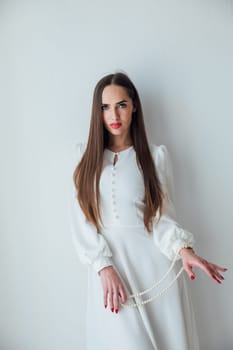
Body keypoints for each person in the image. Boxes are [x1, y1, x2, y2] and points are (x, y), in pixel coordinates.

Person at [69, 72, 227, 350]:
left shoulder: (155, 157)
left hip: (155, 273)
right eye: (105, 107)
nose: (114, 114)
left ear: (134, 106)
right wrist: (103, 266)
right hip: (110, 274)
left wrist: (184, 251)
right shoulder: (85, 158)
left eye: (121, 104)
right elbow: (81, 220)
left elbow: (161, 217)